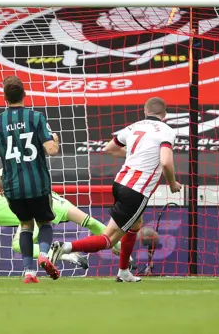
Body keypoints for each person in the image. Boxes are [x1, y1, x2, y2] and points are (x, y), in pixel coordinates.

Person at [50, 97, 180, 282]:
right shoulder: (166, 131)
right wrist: (173, 183)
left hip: (120, 183)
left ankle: (124, 271)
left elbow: (109, 148)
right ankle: (65, 247)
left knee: (135, 225)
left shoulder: (134, 126)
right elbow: (166, 162)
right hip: (136, 190)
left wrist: (136, 152)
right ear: (164, 114)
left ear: (145, 111)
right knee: (109, 239)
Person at [0, 76, 60, 283]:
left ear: (4, 98)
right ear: (24, 95)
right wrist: (56, 141)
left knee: (25, 224)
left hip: (12, 186)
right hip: (38, 184)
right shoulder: (36, 117)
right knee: (44, 222)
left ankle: (29, 272)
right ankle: (43, 255)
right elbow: (51, 150)